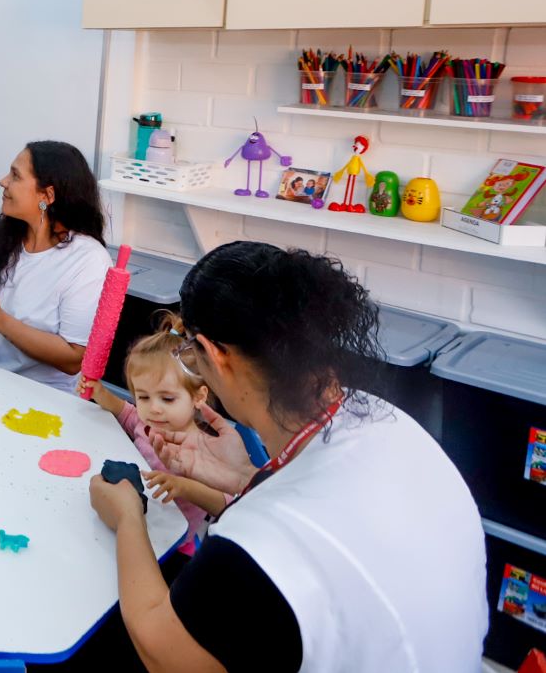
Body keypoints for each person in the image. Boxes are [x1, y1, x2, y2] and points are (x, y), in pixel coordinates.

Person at [80, 242, 486, 672]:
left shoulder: (256, 548)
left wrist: (128, 517)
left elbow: (161, 654)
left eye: (188, 352)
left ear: (213, 355)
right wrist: (248, 477)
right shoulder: (387, 421)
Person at [0, 141, 112, 393]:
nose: (3, 181)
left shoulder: (88, 260)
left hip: (34, 396)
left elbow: (74, 359)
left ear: (47, 196)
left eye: (15, 175)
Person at [76, 317, 229, 561]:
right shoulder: (147, 424)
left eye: (167, 399)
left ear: (198, 397)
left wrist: (184, 487)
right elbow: (127, 414)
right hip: (129, 522)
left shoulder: (207, 449)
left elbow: (225, 503)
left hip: (173, 544)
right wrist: (100, 393)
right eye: (144, 397)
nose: (153, 409)